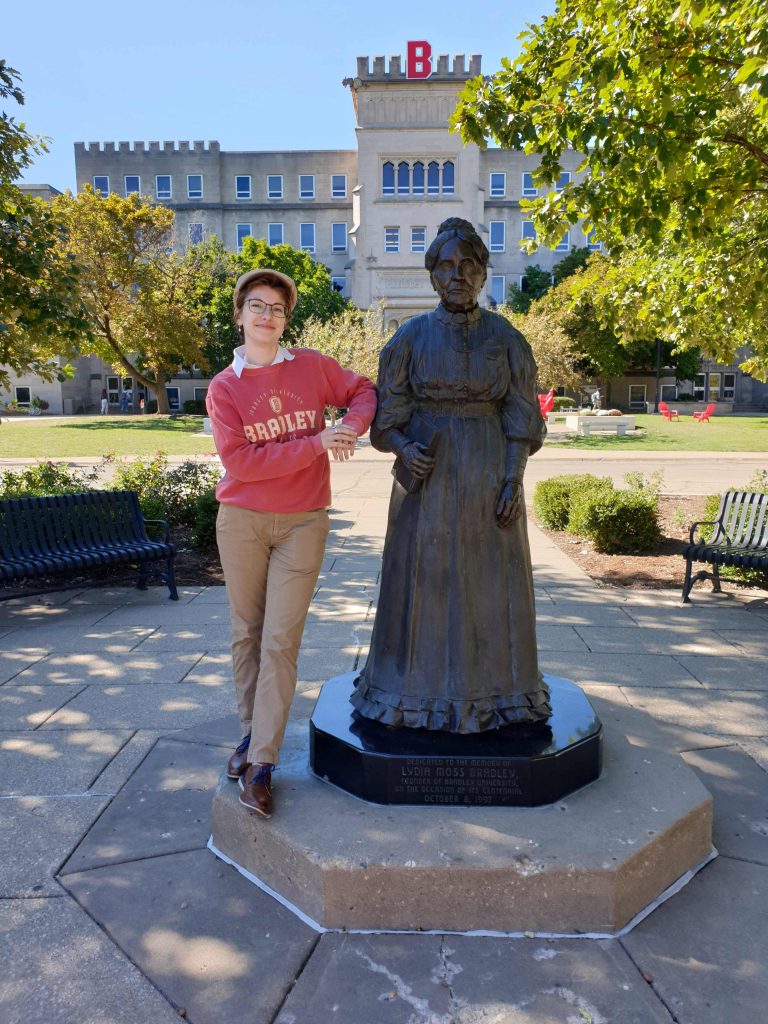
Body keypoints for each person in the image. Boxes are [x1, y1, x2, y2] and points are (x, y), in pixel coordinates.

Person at [351, 218, 551, 732]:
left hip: (490, 475)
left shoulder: (507, 339)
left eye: (467, 265)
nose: (456, 274)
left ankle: (499, 694)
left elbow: (522, 417)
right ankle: (409, 691)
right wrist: (402, 446)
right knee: (424, 579)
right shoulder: (409, 339)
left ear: (483, 273)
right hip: (427, 478)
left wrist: (513, 478)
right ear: (432, 275)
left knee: (491, 582)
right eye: (445, 265)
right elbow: (385, 420)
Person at [207, 269, 376, 817]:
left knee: (280, 640)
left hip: (303, 521)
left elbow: (362, 389)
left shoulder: (311, 366)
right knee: (245, 635)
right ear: (240, 315)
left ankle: (261, 763)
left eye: (278, 309)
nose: (267, 316)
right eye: (257, 306)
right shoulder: (224, 387)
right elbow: (241, 463)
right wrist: (316, 442)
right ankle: (251, 735)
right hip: (242, 519)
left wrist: (349, 426)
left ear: (286, 319)